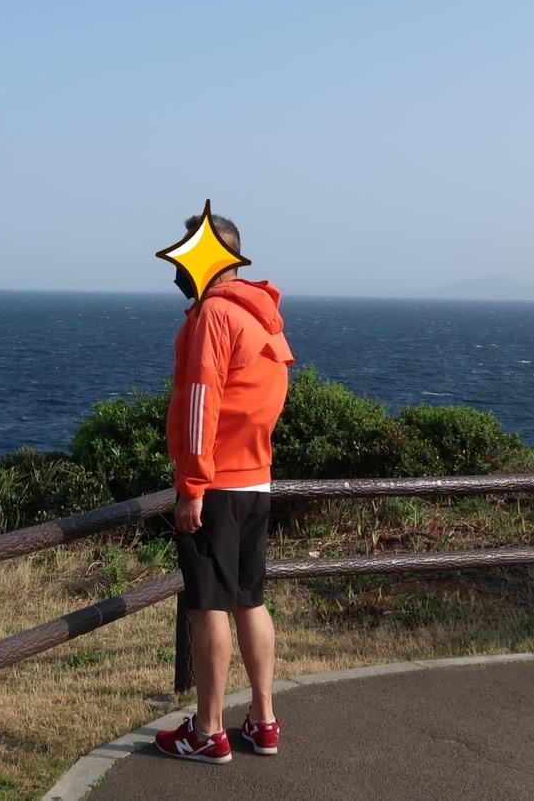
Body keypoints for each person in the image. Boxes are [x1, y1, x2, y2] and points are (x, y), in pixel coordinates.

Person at [154, 211, 294, 764]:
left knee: (208, 605)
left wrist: (192, 485)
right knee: (249, 600)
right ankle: (263, 720)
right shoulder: (263, 316)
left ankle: (208, 730)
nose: (177, 267)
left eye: (184, 253)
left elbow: (200, 401)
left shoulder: (213, 313)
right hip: (257, 480)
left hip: (216, 484)